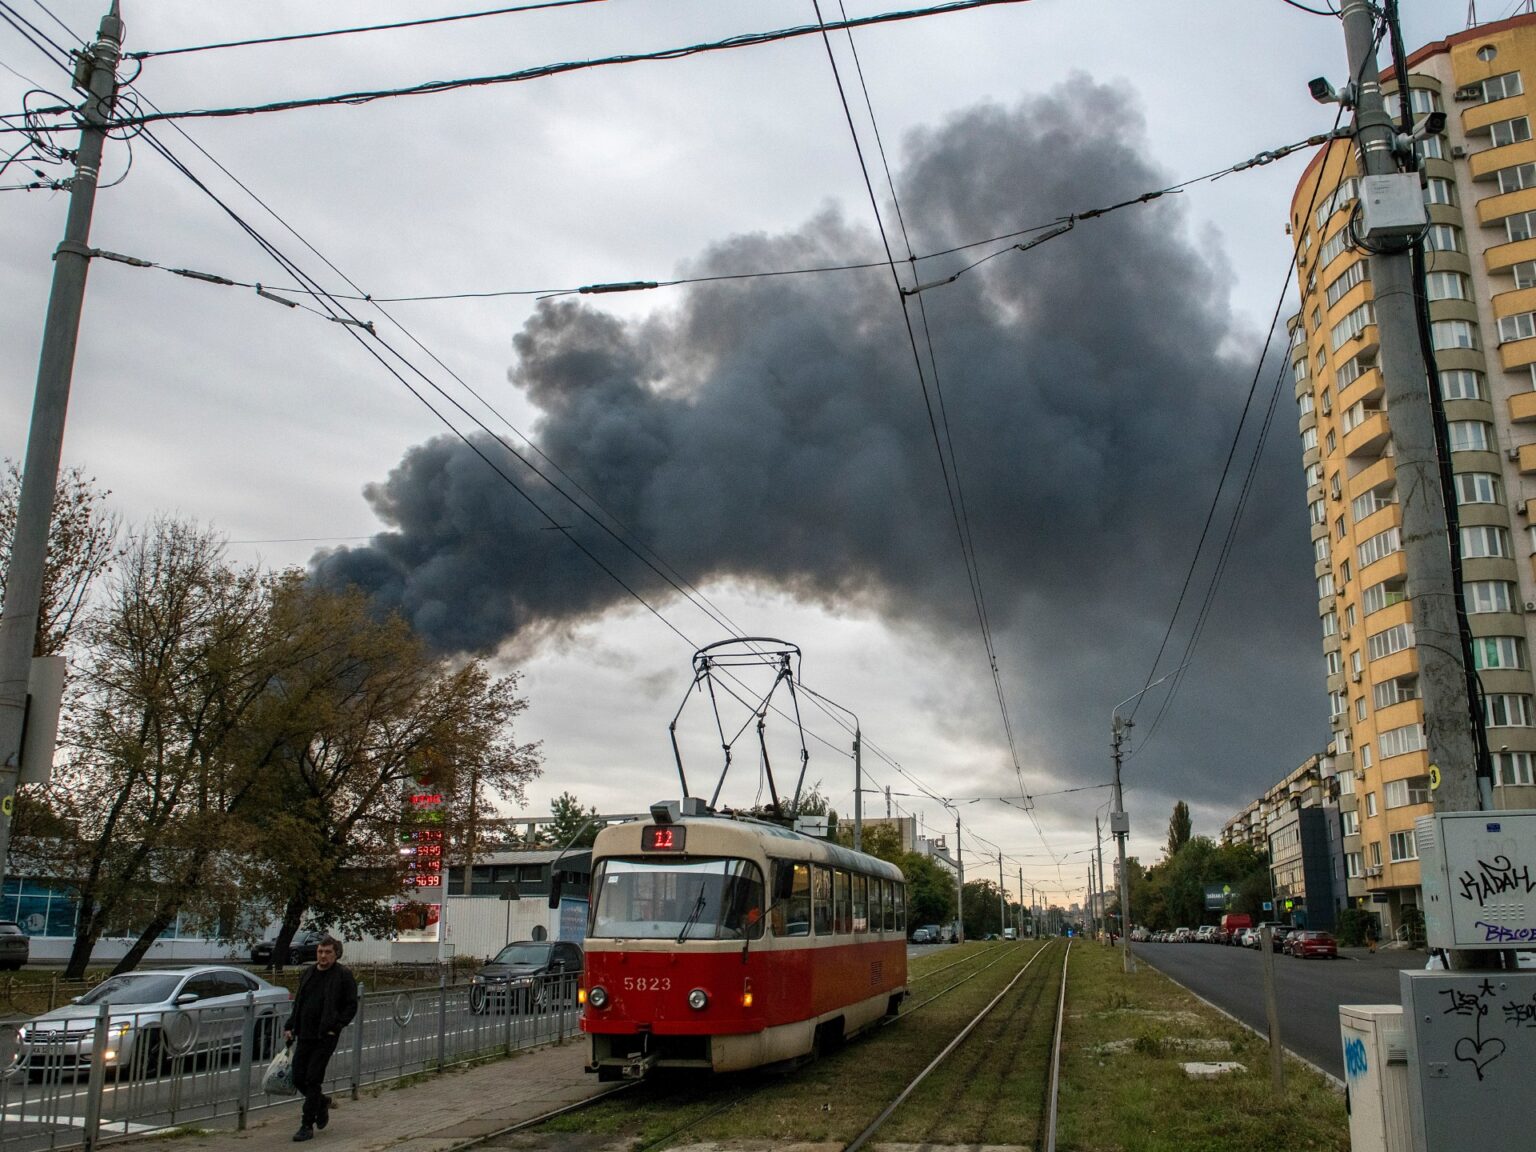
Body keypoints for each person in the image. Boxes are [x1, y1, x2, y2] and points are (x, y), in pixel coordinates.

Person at [284, 935, 359, 1142]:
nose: (323, 956)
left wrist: (336, 1026)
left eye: (327, 952)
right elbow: (299, 1002)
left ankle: (306, 1124)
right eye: (320, 951)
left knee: (313, 1078)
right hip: (305, 1033)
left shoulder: (342, 975)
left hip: (325, 1036)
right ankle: (321, 1102)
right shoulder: (308, 973)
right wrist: (290, 1025)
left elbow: (351, 1005)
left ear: (336, 954)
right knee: (298, 1077)